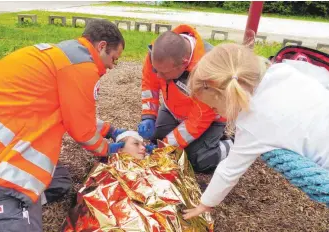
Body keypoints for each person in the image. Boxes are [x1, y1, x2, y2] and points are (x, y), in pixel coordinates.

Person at [0, 19, 126, 231]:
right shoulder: (84, 67)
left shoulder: (64, 57)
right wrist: (110, 149)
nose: (113, 66)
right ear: (101, 46)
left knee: (59, 182)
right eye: (113, 58)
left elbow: (74, 110)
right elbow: (83, 133)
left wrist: (110, 130)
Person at [182, 43, 329, 219]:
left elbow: (229, 170)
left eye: (214, 107)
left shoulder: (252, 123)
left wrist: (205, 203)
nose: (214, 112)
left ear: (227, 95)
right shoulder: (283, 69)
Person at [61, 131, 213, 232]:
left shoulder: (156, 164)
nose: (143, 148)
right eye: (136, 144)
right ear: (119, 149)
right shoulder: (109, 168)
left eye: (143, 145)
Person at [138, 24, 233, 173]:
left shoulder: (209, 70)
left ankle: (232, 145)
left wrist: (166, 145)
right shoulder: (158, 53)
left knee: (197, 159)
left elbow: (198, 119)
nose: (159, 76)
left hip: (210, 119)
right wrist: (148, 116)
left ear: (183, 63)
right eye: (157, 70)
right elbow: (150, 85)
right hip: (174, 110)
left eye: (163, 73)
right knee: (158, 140)